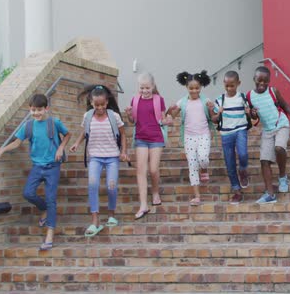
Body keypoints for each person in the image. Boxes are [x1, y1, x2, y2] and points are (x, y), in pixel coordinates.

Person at [0, 94, 71, 250]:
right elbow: (17, 142)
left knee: (51, 199)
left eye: (39, 110)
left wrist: (61, 147)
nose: (36, 113)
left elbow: (68, 134)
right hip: (37, 167)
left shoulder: (54, 122)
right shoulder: (28, 126)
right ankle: (44, 209)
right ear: (30, 109)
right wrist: (1, 150)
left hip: (53, 166)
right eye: (33, 110)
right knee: (28, 193)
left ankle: (50, 234)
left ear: (46, 108)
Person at [69, 85, 129, 237]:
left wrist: (123, 152)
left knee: (111, 186)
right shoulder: (88, 116)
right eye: (97, 105)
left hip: (112, 157)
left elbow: (123, 134)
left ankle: (111, 215)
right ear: (91, 102)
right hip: (95, 156)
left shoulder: (114, 116)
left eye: (103, 104)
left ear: (107, 102)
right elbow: (84, 131)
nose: (100, 107)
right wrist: (76, 143)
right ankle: (95, 221)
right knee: (93, 184)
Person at [248, 66, 290, 204]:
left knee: (279, 148)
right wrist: (253, 114)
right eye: (259, 81)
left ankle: (282, 176)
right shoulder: (249, 96)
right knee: (264, 160)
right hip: (267, 130)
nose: (262, 84)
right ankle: (270, 194)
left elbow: (285, 105)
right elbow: (253, 118)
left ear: (269, 81)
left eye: (265, 81)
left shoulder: (273, 91)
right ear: (254, 79)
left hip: (281, 125)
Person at [124, 73, 172, 220]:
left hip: (156, 138)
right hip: (141, 138)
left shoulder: (159, 100)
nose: (144, 91)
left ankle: (155, 191)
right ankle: (143, 204)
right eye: (141, 88)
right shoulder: (135, 100)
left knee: (153, 169)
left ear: (153, 86)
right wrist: (128, 114)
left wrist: (168, 120)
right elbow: (132, 121)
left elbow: (162, 120)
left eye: (147, 88)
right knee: (141, 170)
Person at [167, 70, 213, 206]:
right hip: (189, 137)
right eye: (191, 88)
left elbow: (213, 116)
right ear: (186, 87)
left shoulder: (206, 100)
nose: (194, 91)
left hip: (204, 135)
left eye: (197, 88)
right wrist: (170, 110)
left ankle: (204, 169)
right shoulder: (182, 101)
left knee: (203, 158)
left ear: (201, 87)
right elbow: (173, 116)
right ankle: (197, 196)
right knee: (192, 166)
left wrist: (213, 108)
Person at [208, 71, 252, 204]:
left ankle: (243, 170)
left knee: (243, 154)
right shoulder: (220, 100)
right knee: (230, 162)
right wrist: (216, 112)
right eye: (227, 86)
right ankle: (237, 191)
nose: (229, 88)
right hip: (226, 134)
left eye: (232, 85)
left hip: (240, 130)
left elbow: (251, 116)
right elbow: (214, 120)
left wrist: (249, 113)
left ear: (238, 84)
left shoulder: (242, 98)